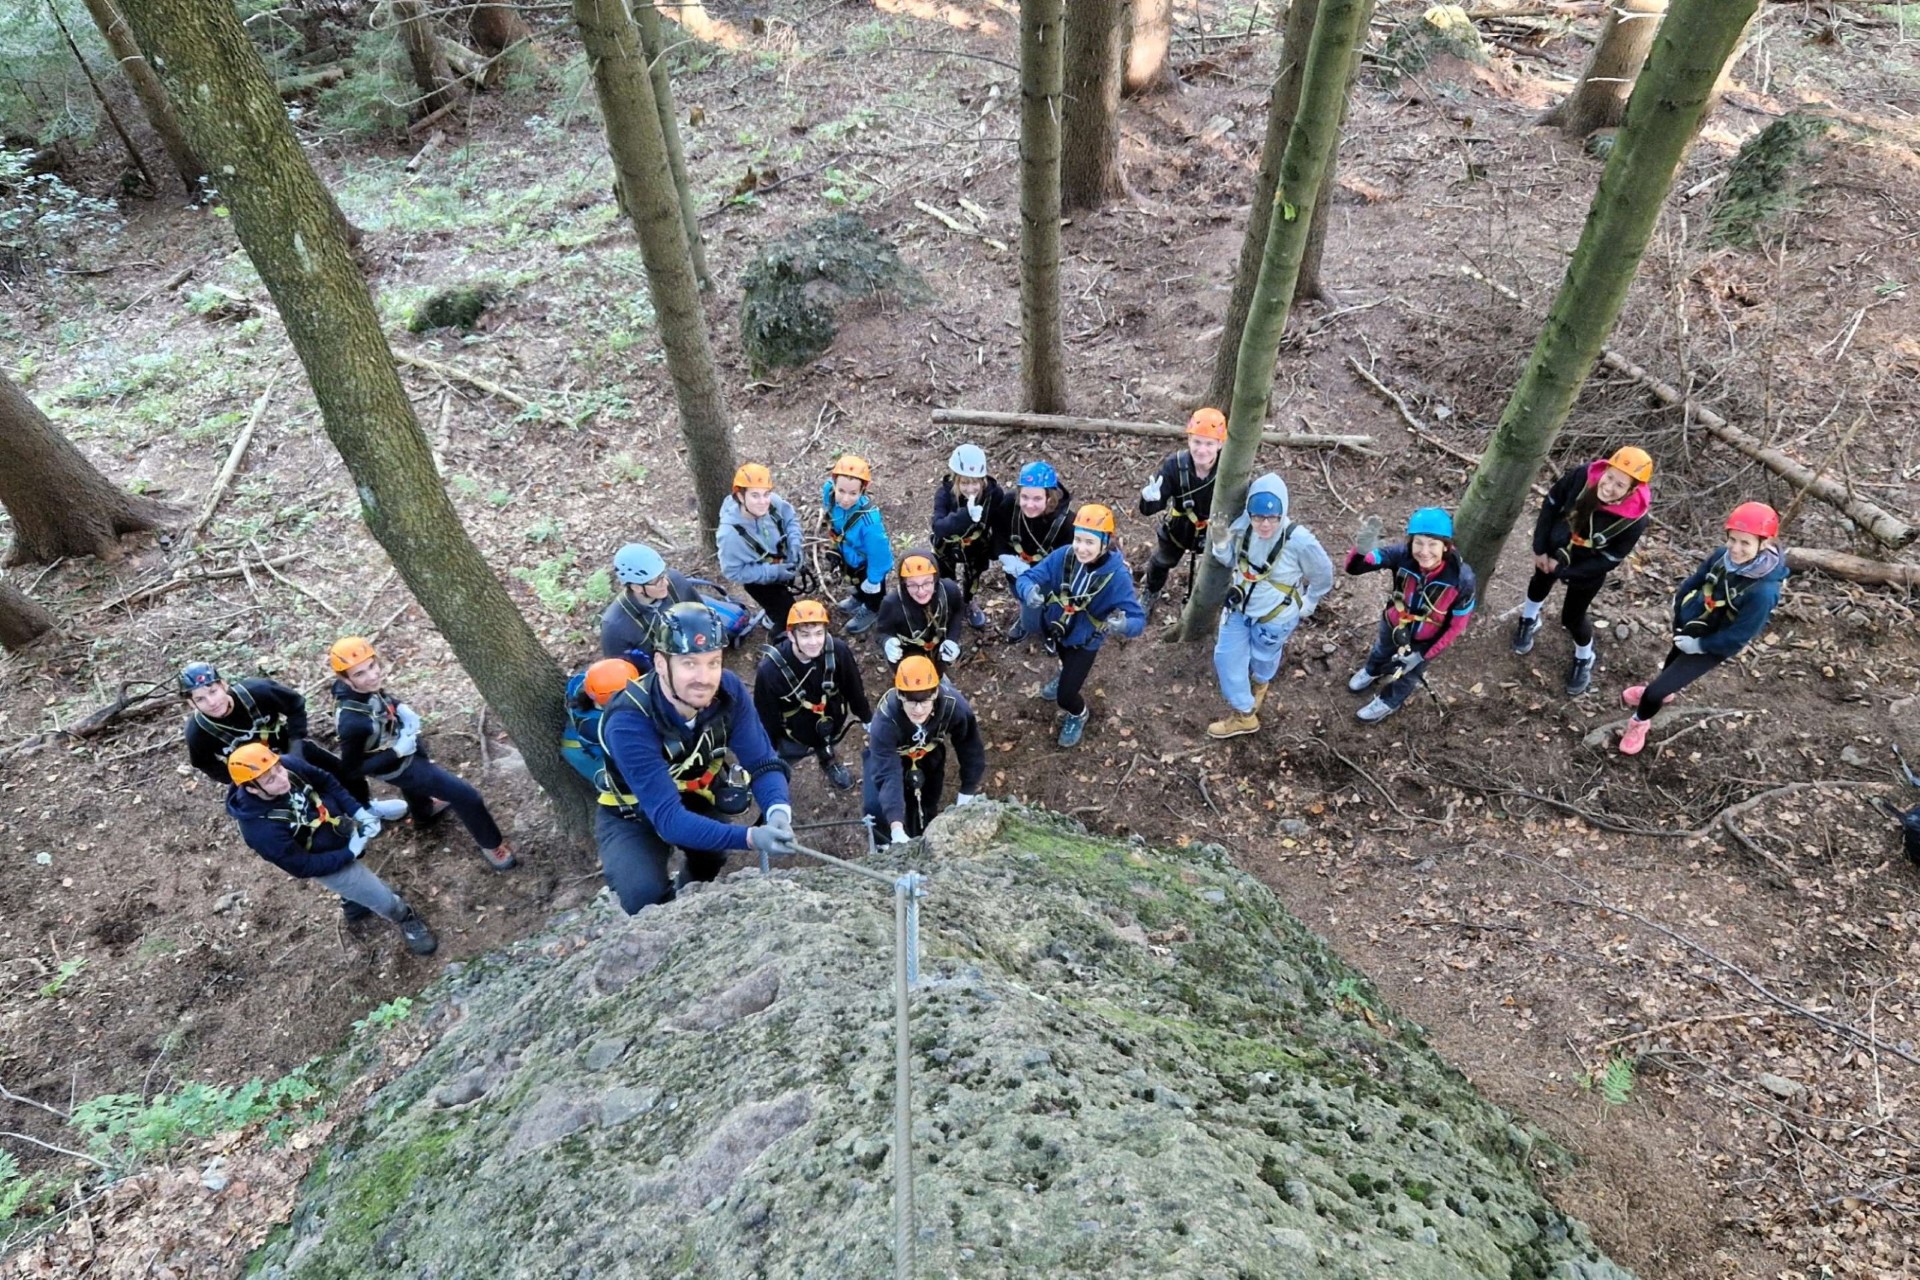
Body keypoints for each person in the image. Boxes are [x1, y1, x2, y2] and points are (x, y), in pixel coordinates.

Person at [599, 601, 798, 913]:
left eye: (713, 662)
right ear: (661, 664)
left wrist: (777, 809)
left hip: (695, 793)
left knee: (710, 859)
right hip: (631, 812)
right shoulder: (630, 721)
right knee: (642, 895)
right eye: (689, 663)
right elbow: (669, 820)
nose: (704, 678)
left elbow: (762, 761)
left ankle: (690, 894)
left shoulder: (728, 691)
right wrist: (750, 837)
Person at [224, 742, 437, 955]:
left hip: (337, 828)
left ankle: (354, 902)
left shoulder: (287, 765)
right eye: (270, 780)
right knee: (384, 900)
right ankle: (404, 916)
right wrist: (348, 853)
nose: (282, 779)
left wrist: (357, 811)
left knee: (360, 889)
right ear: (251, 788)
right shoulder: (260, 831)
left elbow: (326, 781)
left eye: (278, 770)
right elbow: (302, 866)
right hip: (324, 860)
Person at [328, 636, 516, 871]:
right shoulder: (353, 723)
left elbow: (378, 695)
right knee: (467, 796)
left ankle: (424, 811)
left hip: (402, 740)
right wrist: (397, 752)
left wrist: (399, 707)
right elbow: (351, 769)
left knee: (421, 785)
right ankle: (492, 845)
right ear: (346, 679)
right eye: (360, 674)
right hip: (398, 765)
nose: (373, 676)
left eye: (372, 666)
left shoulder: (353, 689)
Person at [1616, 502, 1788, 756]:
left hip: (1715, 643)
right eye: (1733, 539)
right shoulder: (1722, 556)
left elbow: (1738, 637)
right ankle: (1665, 691)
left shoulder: (1763, 592)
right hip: (1695, 619)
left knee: (1654, 692)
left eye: (1745, 543)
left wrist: (1700, 646)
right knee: (1673, 658)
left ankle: (1640, 721)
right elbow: (1697, 580)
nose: (1735, 549)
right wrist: (1679, 604)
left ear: (1764, 544)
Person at [1515, 446, 1654, 696]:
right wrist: (1540, 547)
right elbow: (1552, 503)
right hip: (1556, 545)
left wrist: (1565, 572)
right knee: (1539, 583)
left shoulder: (1634, 519)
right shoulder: (1583, 477)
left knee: (1572, 617)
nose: (1608, 487)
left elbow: (1611, 558)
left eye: (1620, 485)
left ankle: (1584, 656)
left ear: (1632, 490)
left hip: (1588, 566)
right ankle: (1529, 619)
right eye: (1609, 477)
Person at [1204, 473, 1334, 739]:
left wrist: (1310, 601)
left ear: (1282, 513)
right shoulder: (1243, 527)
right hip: (1239, 608)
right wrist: (1220, 542)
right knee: (1225, 657)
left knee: (1263, 657)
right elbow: (1231, 561)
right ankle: (1244, 713)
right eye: (1258, 517)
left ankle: (1261, 682)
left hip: (1275, 615)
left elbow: (1323, 574)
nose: (1265, 525)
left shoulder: (1300, 541)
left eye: (1272, 518)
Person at [1017, 504, 1147, 748]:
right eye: (1078, 539)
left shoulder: (1117, 577)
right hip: (1058, 627)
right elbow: (1028, 577)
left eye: (1089, 542)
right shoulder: (1064, 556)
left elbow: (1138, 620)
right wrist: (1028, 590)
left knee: (1066, 696)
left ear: (1105, 542)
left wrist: (1123, 625)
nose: (1081, 548)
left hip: (1086, 641)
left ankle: (1078, 714)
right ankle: (1065, 673)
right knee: (1064, 660)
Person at [1344, 508, 1477, 723]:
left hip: (1427, 639)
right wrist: (1360, 551)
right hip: (1394, 623)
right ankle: (1372, 670)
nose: (1424, 551)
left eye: (1432, 544)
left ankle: (1389, 702)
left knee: (1408, 674)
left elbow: (1456, 625)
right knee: (1382, 649)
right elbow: (1356, 568)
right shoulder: (1401, 555)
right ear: (1411, 542)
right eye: (1419, 543)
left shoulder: (1462, 579)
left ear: (1446, 546)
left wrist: (1422, 655)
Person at [179, 661, 376, 807]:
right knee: (296, 805)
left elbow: (295, 704)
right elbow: (204, 763)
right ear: (191, 703)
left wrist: (296, 742)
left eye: (213, 692)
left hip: (288, 747)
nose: (212, 702)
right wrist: (239, 780)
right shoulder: (198, 732)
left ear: (223, 685)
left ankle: (366, 806)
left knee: (341, 773)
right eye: (200, 699)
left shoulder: (257, 692)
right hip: (258, 775)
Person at [863, 656, 987, 844]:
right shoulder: (886, 721)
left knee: (928, 801)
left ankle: (926, 833)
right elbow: (888, 774)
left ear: (935, 693)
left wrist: (967, 792)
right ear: (900, 695)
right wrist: (896, 828)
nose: (919, 710)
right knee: (876, 806)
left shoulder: (954, 706)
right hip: (892, 756)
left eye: (925, 701)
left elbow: (970, 747)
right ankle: (886, 843)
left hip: (929, 754)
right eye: (912, 702)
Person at [753, 599, 872, 790]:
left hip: (831, 719)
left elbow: (853, 687)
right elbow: (766, 715)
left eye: (818, 633)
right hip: (794, 732)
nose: (814, 642)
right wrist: (769, 749)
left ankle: (828, 759)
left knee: (826, 744)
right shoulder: (770, 671)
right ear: (791, 635)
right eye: (805, 635)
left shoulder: (837, 651)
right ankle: (776, 779)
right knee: (782, 759)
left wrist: (866, 717)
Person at [1138, 406, 1227, 617]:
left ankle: (1212, 603)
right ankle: (1151, 592)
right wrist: (1149, 500)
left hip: (1215, 529)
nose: (1202, 450)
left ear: (1220, 444)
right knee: (1161, 561)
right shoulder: (1174, 466)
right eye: (1197, 442)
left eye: (1209, 444)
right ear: (1189, 440)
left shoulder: (1229, 469)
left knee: (1220, 566)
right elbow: (1151, 508)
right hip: (1180, 527)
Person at [992, 460, 1075, 641]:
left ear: (1049, 497)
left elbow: (1069, 561)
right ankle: (1030, 617)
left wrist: (1037, 576)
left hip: (1047, 578)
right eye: (1025, 497)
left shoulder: (1066, 524)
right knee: (1020, 595)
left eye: (1037, 499)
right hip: (1015, 570)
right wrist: (1005, 556)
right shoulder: (1009, 506)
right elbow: (998, 533)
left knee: (1035, 619)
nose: (1029, 505)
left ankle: (1046, 626)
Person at [716, 463, 805, 632]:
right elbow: (733, 571)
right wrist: (773, 572)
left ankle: (772, 613)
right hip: (757, 580)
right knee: (789, 619)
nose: (763, 502)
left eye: (766, 494)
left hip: (781, 561)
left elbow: (790, 520)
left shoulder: (773, 504)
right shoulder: (730, 535)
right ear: (740, 496)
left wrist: (795, 542)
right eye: (755, 496)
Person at [931, 443, 1001, 630]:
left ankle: (968, 602)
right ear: (955, 480)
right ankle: (950, 601)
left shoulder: (992, 495)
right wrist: (964, 516)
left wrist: (996, 549)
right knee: (946, 576)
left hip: (977, 545)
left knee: (973, 575)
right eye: (964, 483)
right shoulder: (944, 494)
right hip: (947, 545)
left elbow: (998, 522)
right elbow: (938, 526)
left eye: (975, 482)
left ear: (983, 480)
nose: (970, 489)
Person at [821, 455, 893, 636]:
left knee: (872, 590)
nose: (845, 499)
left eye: (853, 493)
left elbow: (880, 554)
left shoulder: (869, 521)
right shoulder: (830, 494)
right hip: (847, 553)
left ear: (863, 490)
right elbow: (829, 508)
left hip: (866, 562)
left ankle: (873, 608)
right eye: (841, 491)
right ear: (834, 484)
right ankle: (859, 598)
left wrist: (874, 580)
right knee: (854, 581)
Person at [601, 542, 704, 663]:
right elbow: (620, 669)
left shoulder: (676, 582)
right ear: (636, 587)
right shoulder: (615, 626)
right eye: (657, 582)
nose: (665, 583)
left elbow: (702, 615)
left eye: (663, 575)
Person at [875, 549, 967, 676]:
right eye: (913, 585)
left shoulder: (949, 591)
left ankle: (939, 677)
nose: (921, 591)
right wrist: (887, 642)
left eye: (927, 583)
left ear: (935, 579)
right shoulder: (891, 604)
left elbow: (958, 611)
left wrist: (952, 639)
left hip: (939, 649)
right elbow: (881, 631)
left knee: (938, 671)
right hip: (907, 657)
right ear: (904, 583)